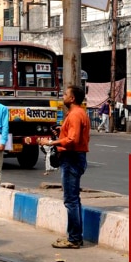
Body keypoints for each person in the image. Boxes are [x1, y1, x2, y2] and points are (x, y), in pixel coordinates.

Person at [39, 85, 90, 249]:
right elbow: (73, 134)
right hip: (76, 157)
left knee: (71, 200)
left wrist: (50, 142)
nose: (63, 95)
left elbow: (73, 139)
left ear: (72, 98)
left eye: (66, 94)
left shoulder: (75, 114)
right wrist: (62, 130)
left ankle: (74, 239)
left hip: (72, 158)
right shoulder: (79, 113)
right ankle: (75, 236)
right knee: (74, 199)